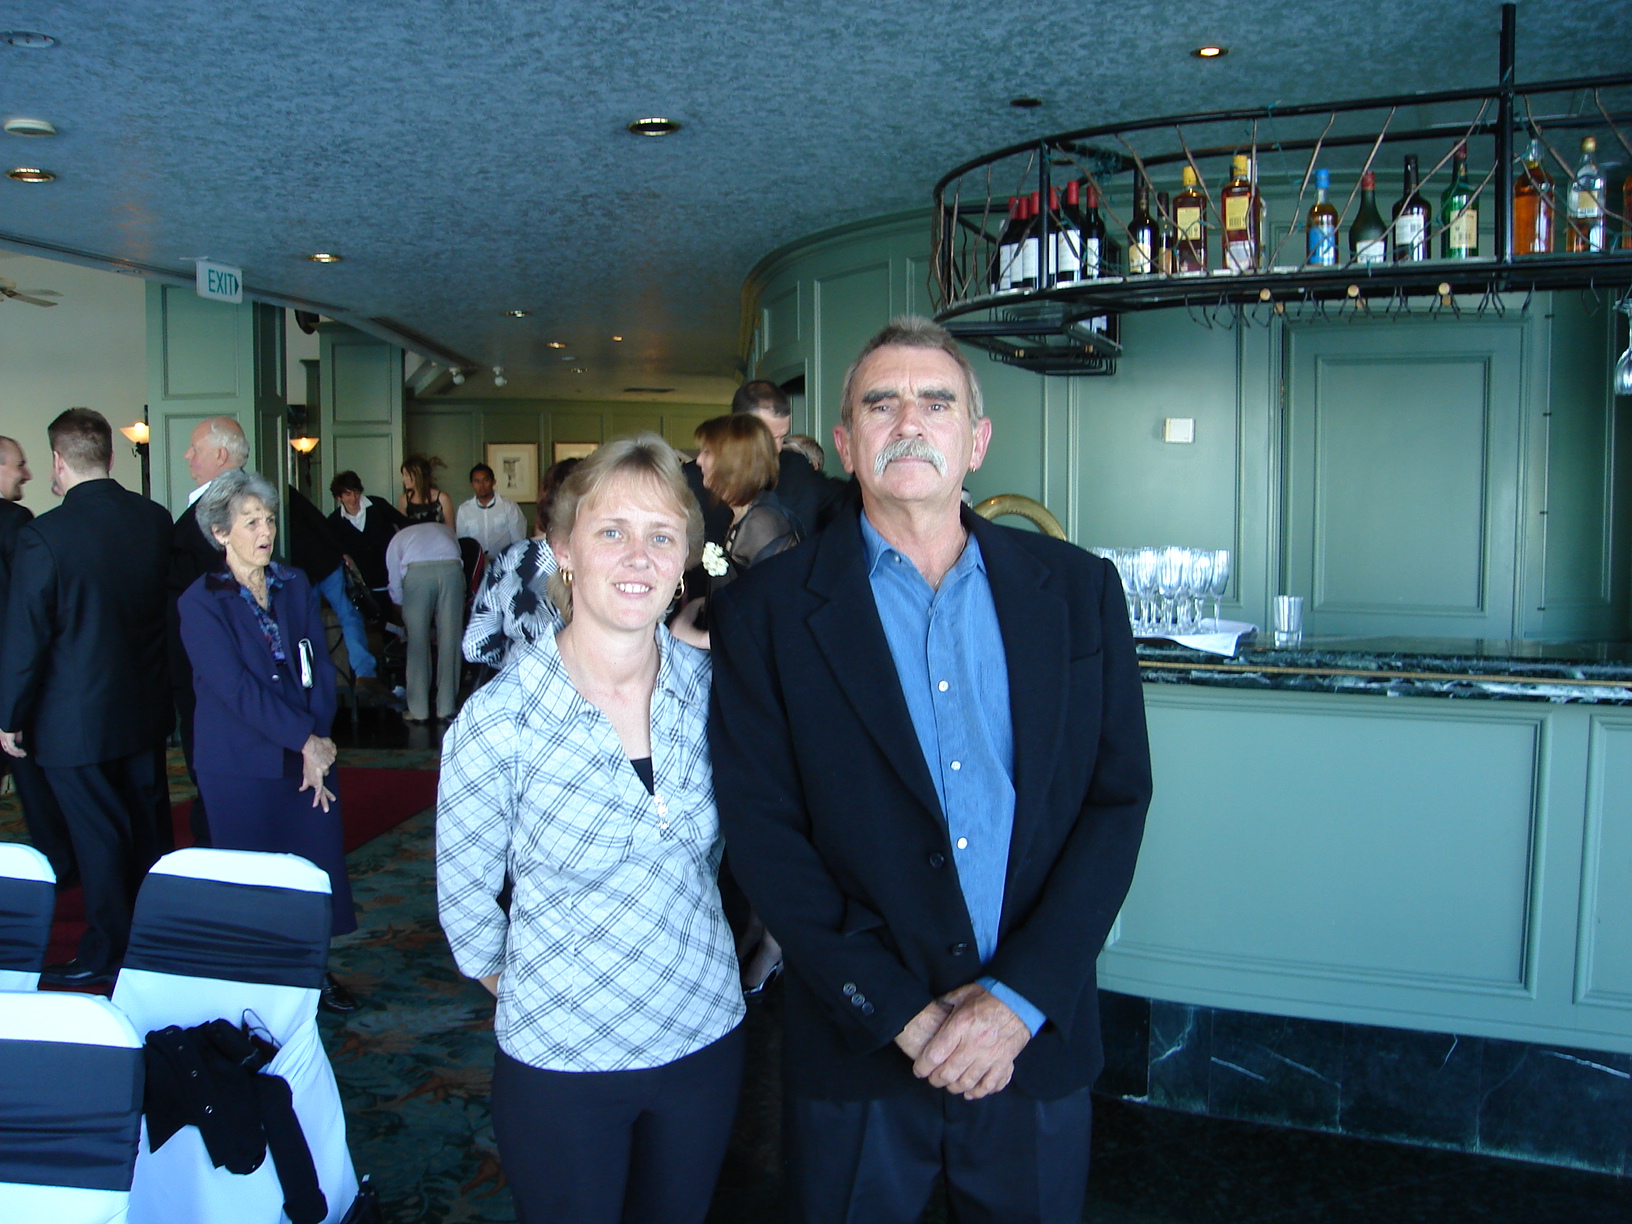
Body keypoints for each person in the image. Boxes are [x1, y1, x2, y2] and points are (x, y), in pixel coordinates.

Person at [708, 317, 1152, 1224]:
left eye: (937, 401)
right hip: (859, 1047)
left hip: (1031, 1045)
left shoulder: (1077, 593)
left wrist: (1019, 1001)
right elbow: (764, 834)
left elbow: (1116, 804)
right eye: (882, 401)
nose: (909, 420)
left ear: (977, 440)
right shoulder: (766, 613)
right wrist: (904, 1015)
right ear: (843, 442)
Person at [438, 434, 745, 1224]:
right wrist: (549, 986)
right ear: (564, 549)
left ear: (685, 561)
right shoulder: (500, 717)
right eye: (611, 531)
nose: (636, 556)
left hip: (703, 1036)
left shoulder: (715, 695)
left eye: (661, 536)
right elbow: (467, 906)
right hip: (564, 1061)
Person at [0, 409, 174, 985]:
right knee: (148, 828)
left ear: (57, 460)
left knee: (98, 838)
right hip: (144, 707)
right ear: (110, 456)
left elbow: (28, 637)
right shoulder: (154, 519)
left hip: (73, 720)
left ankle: (107, 955)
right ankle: (157, 940)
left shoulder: (43, 534)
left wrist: (10, 716)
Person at [178, 470, 359, 1013]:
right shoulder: (200, 601)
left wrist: (319, 736)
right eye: (251, 521)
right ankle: (258, 982)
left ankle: (312, 972)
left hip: (306, 749)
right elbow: (234, 689)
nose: (265, 531)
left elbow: (317, 668)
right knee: (254, 877)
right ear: (219, 533)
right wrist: (305, 739)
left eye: (270, 519)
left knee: (314, 866)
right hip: (239, 761)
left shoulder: (294, 583)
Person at [168, 414, 250, 846]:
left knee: (213, 771)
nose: (187, 455)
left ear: (219, 454)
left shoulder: (221, 510)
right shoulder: (242, 500)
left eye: (194, 448)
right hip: (220, 664)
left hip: (206, 667)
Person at [0, 435, 74, 885]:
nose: (27, 473)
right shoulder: (15, 522)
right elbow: (27, 614)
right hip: (12, 677)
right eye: (19, 464)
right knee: (34, 783)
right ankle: (60, 869)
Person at [462, 457, 578, 669]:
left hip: (523, 682)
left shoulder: (512, 559)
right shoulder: (617, 560)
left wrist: (516, 657)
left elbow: (476, 646)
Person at [285, 484, 389, 700]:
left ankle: (316, 681)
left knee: (309, 625)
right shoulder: (289, 493)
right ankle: (364, 674)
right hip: (325, 560)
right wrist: (342, 552)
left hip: (300, 570)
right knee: (349, 615)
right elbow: (318, 522)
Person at [385, 520, 464, 723]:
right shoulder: (446, 530)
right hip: (451, 570)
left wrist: (402, 607)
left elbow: (394, 580)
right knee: (450, 639)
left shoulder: (399, 537)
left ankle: (418, 710)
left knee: (417, 642)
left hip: (418, 573)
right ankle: (446, 707)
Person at [328, 470, 407, 601]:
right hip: (367, 584)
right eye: (348, 494)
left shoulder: (378, 505)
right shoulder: (334, 521)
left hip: (395, 575)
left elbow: (404, 523)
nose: (353, 498)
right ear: (338, 497)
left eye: (356, 493)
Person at [456, 462, 528, 560]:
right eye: (477, 481)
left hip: (504, 562)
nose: (481, 485)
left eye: (485, 480)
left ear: (493, 482)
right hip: (475, 564)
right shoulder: (464, 510)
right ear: (471, 484)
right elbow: (463, 542)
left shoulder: (509, 506)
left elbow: (518, 541)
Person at [398, 453, 455, 526]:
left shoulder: (442, 498)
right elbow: (402, 530)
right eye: (403, 475)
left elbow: (450, 529)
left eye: (406, 475)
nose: (403, 479)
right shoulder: (404, 500)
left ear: (418, 475)